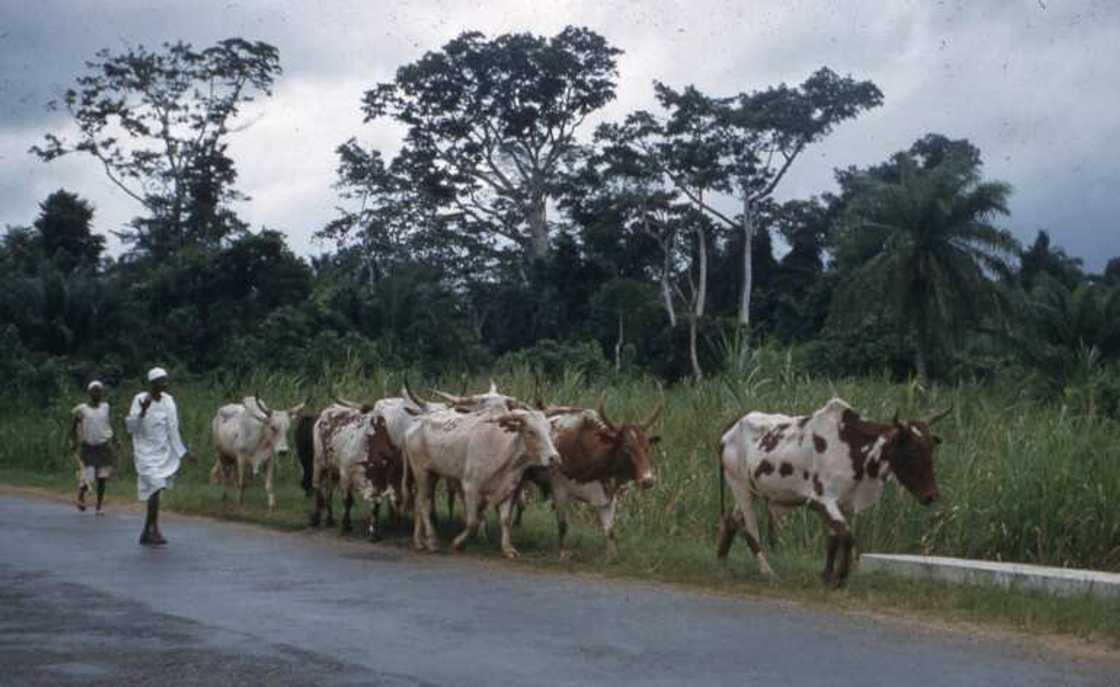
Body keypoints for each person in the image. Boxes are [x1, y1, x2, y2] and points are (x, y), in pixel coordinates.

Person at [125, 367, 193, 546]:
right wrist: (143, 411)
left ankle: (149, 531)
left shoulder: (169, 401)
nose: (164, 384)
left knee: (157, 490)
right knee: (156, 487)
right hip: (145, 453)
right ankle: (151, 530)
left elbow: (173, 429)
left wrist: (184, 453)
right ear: (152, 383)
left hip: (163, 453)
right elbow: (132, 428)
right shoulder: (139, 399)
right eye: (160, 381)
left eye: (165, 380)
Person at [71, 380, 118, 515]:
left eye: (99, 391)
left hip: (103, 447)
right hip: (88, 447)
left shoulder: (105, 407)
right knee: (88, 477)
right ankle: (80, 496)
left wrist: (115, 439)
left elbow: (108, 425)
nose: (97, 393)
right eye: (94, 390)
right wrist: (74, 442)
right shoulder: (82, 409)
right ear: (89, 393)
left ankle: (99, 506)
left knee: (102, 478)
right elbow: (73, 426)